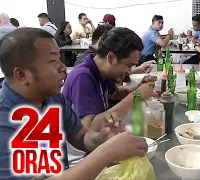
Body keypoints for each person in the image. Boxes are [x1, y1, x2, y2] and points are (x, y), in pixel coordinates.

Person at [0, 28, 147, 180]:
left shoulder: (53, 99)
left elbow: (81, 136)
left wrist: (101, 138)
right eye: (52, 61)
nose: (63, 67)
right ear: (22, 75)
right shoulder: (4, 119)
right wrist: (106, 152)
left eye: (59, 58)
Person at [62, 27, 157, 132]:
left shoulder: (101, 71)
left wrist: (139, 87)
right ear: (111, 57)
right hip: (77, 146)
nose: (129, 71)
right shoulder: (83, 77)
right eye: (128, 65)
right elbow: (89, 128)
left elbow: (115, 93)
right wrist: (136, 96)